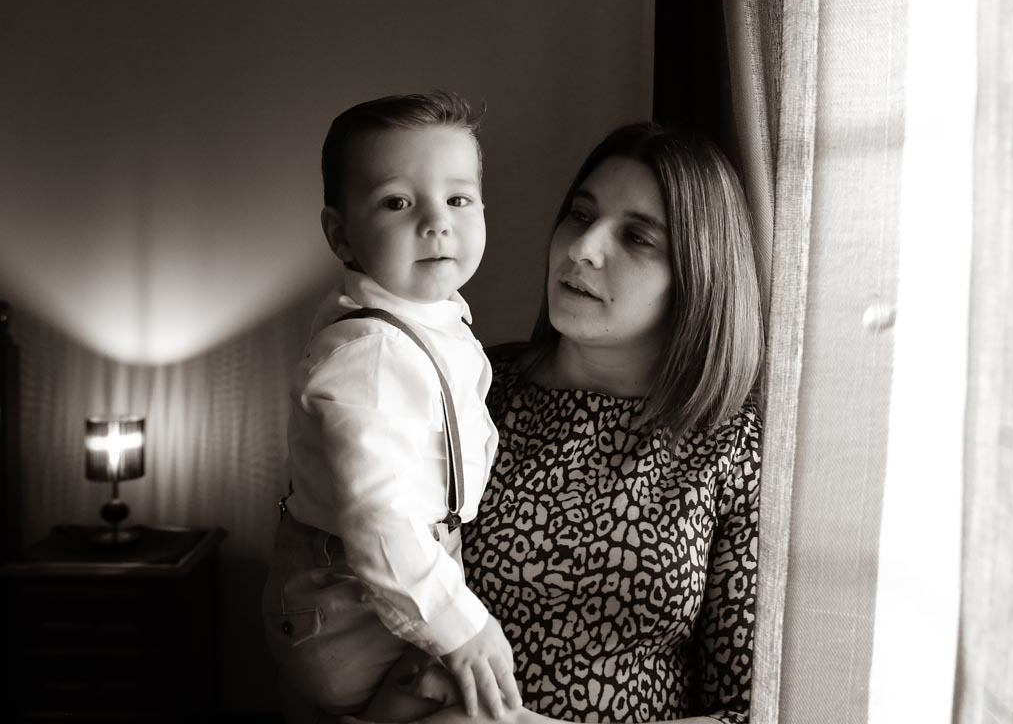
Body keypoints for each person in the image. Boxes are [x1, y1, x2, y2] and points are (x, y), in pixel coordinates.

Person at [390, 121, 763, 724]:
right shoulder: (467, 390)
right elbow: (358, 582)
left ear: (699, 273)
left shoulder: (729, 444)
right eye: (580, 215)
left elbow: (747, 710)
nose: (583, 247)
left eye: (637, 237)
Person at [261, 91, 521, 723]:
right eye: (397, 202)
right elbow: (381, 521)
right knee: (476, 705)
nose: (437, 222)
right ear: (341, 235)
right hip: (348, 602)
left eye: (458, 199)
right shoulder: (371, 354)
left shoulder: (429, 318)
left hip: (395, 577)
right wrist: (462, 628)